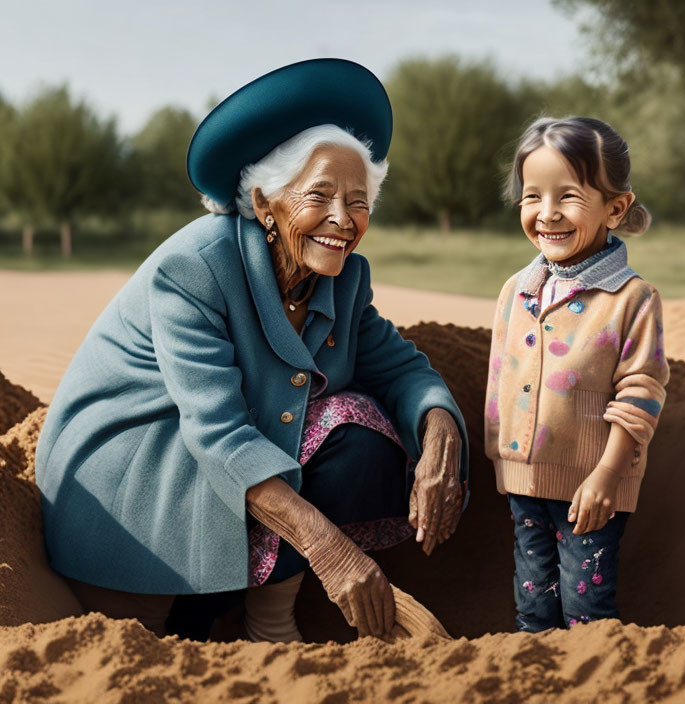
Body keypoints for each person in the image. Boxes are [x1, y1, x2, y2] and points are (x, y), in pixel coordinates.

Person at [35, 59, 468, 642]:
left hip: (238, 445)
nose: (343, 220)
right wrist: (331, 553)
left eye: (359, 202)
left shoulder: (344, 279)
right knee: (157, 627)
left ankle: (267, 619)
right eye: (320, 196)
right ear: (266, 203)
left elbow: (401, 369)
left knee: (355, 429)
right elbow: (217, 433)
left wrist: (440, 434)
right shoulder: (194, 268)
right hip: (139, 459)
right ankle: (200, 609)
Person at [484, 116, 669, 632]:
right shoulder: (515, 290)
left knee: (585, 610)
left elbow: (641, 393)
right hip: (524, 483)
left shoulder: (632, 299)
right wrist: (501, 459)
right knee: (534, 605)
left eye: (567, 196)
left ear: (615, 208)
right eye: (532, 196)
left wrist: (608, 476)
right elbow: (501, 378)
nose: (547, 214)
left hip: (593, 485)